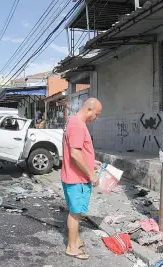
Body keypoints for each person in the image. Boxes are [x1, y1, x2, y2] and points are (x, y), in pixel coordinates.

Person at [61, 98, 102, 260]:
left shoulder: (74, 122)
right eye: (96, 114)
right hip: (76, 178)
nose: (96, 118)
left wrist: (92, 162)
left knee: (75, 211)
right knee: (75, 213)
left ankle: (76, 240)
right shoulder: (77, 125)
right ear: (89, 110)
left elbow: (79, 150)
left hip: (73, 175)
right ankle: (72, 247)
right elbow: (75, 154)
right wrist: (91, 174)